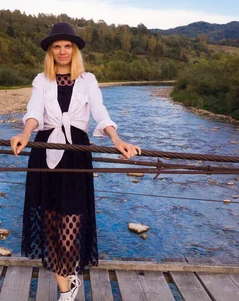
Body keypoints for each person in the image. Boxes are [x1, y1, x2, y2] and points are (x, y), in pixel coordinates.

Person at [10, 22, 141, 301]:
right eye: (56, 46)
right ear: (50, 51)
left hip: (76, 154)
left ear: (75, 49)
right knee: (49, 223)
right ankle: (66, 292)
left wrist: (117, 140)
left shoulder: (88, 80)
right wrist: (24, 133)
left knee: (70, 225)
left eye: (67, 46)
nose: (62, 51)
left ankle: (71, 274)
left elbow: (100, 112)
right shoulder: (41, 80)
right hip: (45, 153)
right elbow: (33, 111)